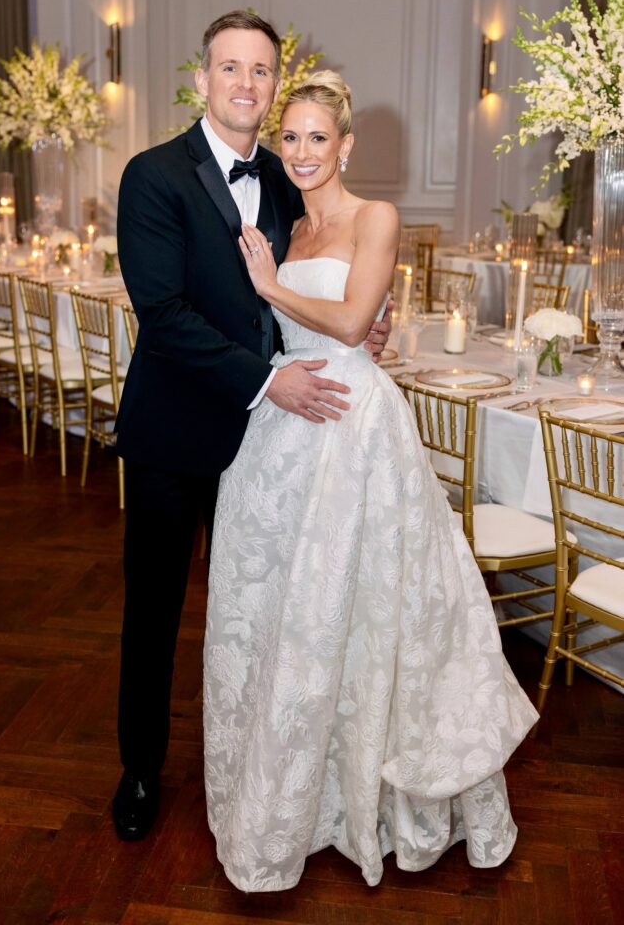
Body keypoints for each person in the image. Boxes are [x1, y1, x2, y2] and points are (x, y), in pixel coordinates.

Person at [203, 70, 539, 891]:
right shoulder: (281, 224)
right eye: (290, 138)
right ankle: (298, 793)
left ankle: (379, 799)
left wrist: (273, 287)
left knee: (361, 606)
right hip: (284, 429)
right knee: (288, 614)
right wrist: (274, 294)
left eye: (318, 137)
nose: (302, 151)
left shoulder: (374, 216)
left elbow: (354, 322)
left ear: (345, 146)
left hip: (355, 431)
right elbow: (278, 326)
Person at [113, 12, 392, 841]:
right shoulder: (152, 174)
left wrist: (363, 325)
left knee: (265, 608)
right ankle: (138, 770)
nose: (245, 83)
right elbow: (162, 313)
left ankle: (258, 759)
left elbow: (313, 280)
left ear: (275, 86)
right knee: (155, 612)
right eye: (229, 68)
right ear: (202, 79)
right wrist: (270, 376)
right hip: (178, 432)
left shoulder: (285, 173)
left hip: (279, 445)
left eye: (260, 71)